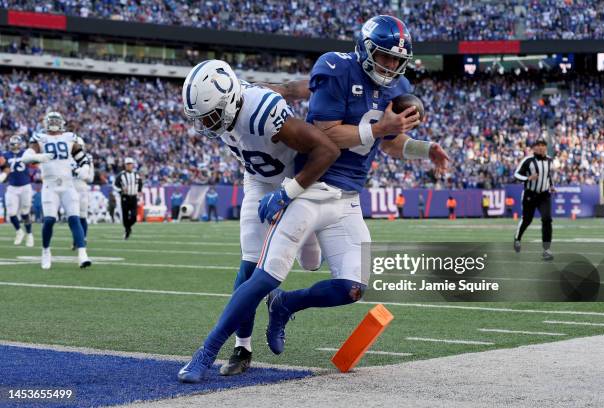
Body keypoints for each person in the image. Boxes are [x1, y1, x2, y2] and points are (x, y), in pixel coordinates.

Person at [177, 16, 448, 383]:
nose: (390, 66)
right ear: (366, 51)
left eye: (394, 60)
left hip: (345, 195)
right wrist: (378, 128)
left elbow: (391, 144)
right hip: (307, 184)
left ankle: (286, 305)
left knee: (352, 288)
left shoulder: (397, 86)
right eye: (382, 57)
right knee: (261, 274)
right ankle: (210, 351)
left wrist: (424, 148)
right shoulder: (335, 68)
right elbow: (325, 138)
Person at [178, 59, 338, 380]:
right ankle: (242, 346)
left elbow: (324, 148)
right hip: (259, 180)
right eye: (202, 119)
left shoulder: (264, 113)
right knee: (250, 264)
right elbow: (278, 88)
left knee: (310, 263)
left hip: (297, 181)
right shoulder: (233, 107)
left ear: (230, 100)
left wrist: (288, 192)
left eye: (210, 116)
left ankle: (280, 303)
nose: (207, 125)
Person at [22, 111, 92, 269]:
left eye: (56, 120)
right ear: (46, 123)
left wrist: (85, 168)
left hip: (68, 184)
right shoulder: (41, 138)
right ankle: (46, 251)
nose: (53, 124)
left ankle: (82, 254)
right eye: (51, 121)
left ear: (61, 122)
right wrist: (38, 157)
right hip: (50, 185)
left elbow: (81, 156)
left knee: (74, 219)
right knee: (49, 220)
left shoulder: (69, 137)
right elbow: (26, 157)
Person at [513, 139, 555, 260]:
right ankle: (517, 238)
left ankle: (546, 250)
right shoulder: (527, 160)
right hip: (530, 194)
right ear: (534, 148)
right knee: (527, 220)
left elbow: (548, 175)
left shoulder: (549, 160)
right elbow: (516, 174)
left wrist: (551, 186)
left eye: (543, 145)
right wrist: (528, 178)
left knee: (547, 219)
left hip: (544, 195)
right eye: (538, 146)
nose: (541, 148)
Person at [0, 135, 34, 247]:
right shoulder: (5, 155)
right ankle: (19, 231)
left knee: (25, 212)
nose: (13, 146)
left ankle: (29, 234)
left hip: (25, 186)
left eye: (15, 144)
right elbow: (3, 167)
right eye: (12, 144)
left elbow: (35, 162)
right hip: (12, 187)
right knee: (11, 213)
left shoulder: (26, 153)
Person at [71, 138, 94, 249]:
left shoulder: (87, 158)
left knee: (82, 216)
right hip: (70, 188)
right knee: (72, 216)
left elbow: (90, 178)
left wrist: (78, 172)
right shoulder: (67, 157)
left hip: (81, 188)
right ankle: (76, 239)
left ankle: (82, 239)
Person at [114, 157, 142, 240]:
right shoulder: (121, 175)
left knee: (134, 216)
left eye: (130, 164)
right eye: (127, 164)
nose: (129, 166)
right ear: (125, 165)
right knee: (125, 216)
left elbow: (140, 183)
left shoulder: (136, 175)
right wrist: (121, 190)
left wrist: (139, 191)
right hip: (125, 197)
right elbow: (115, 186)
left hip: (133, 197)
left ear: (133, 165)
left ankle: (128, 228)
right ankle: (127, 231)